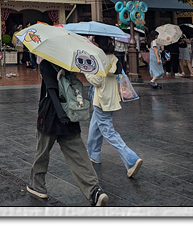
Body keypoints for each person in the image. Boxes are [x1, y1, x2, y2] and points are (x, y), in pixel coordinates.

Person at [27, 58, 109, 206]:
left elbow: (51, 90)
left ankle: (37, 185)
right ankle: (94, 191)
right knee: (78, 155)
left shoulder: (46, 63)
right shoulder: (68, 63)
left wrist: (60, 113)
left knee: (42, 152)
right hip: (71, 114)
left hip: (51, 115)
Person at [86, 36, 143, 178]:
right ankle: (93, 153)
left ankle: (131, 159)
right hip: (111, 99)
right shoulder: (114, 59)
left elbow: (97, 80)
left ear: (98, 45)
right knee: (95, 125)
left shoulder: (100, 60)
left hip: (102, 100)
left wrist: (86, 71)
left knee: (108, 131)